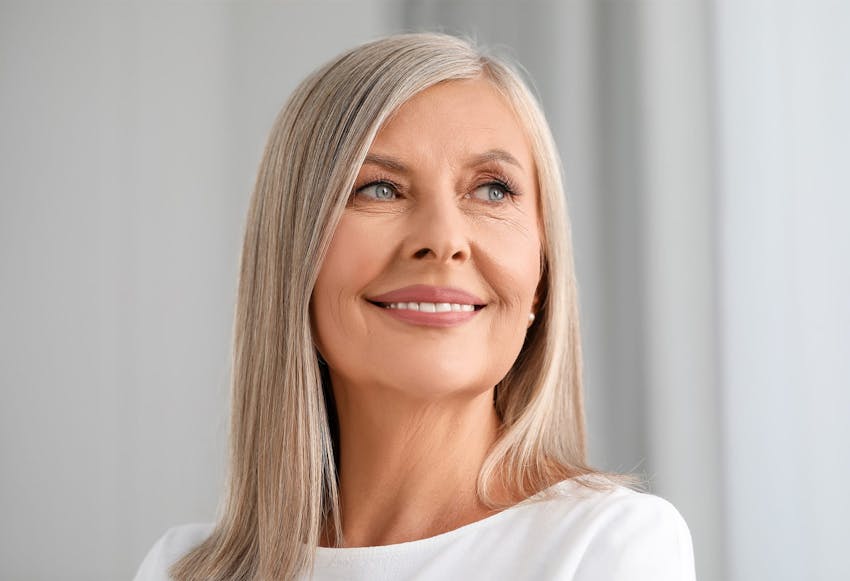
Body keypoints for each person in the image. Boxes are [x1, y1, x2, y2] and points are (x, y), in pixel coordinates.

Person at [133, 32, 695, 581]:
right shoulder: (180, 568)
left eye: (492, 190)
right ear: (293, 257)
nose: (443, 239)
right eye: (380, 189)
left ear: (541, 276)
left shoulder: (610, 547)